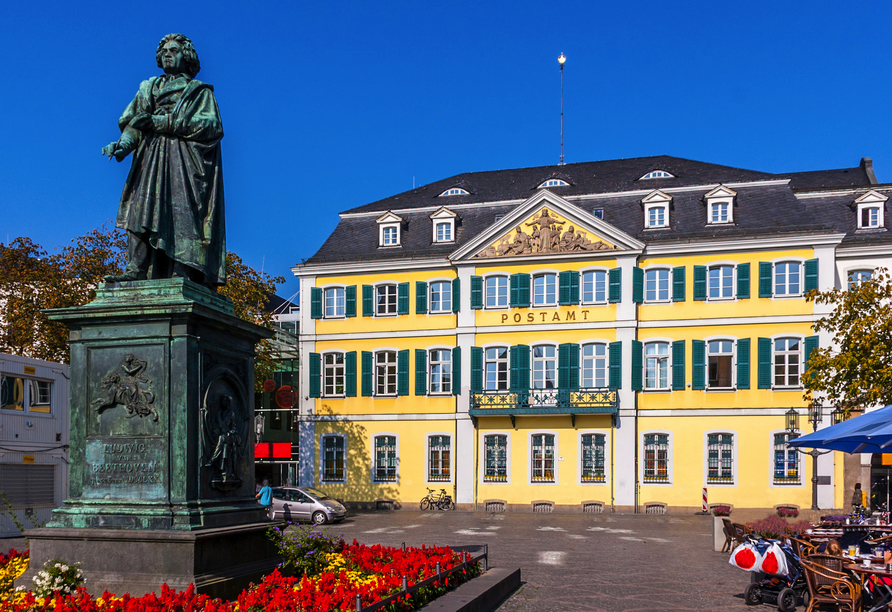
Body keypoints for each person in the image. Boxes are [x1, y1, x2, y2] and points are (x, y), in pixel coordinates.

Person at [102, 33, 226, 287]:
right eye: (164, 51)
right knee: (140, 209)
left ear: (187, 57)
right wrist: (122, 146)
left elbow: (211, 125)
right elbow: (133, 124)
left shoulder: (199, 92)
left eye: (174, 50)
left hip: (184, 161)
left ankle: (184, 270)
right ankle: (135, 268)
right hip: (150, 158)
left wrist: (166, 122)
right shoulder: (149, 88)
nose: (167, 54)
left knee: (183, 214)